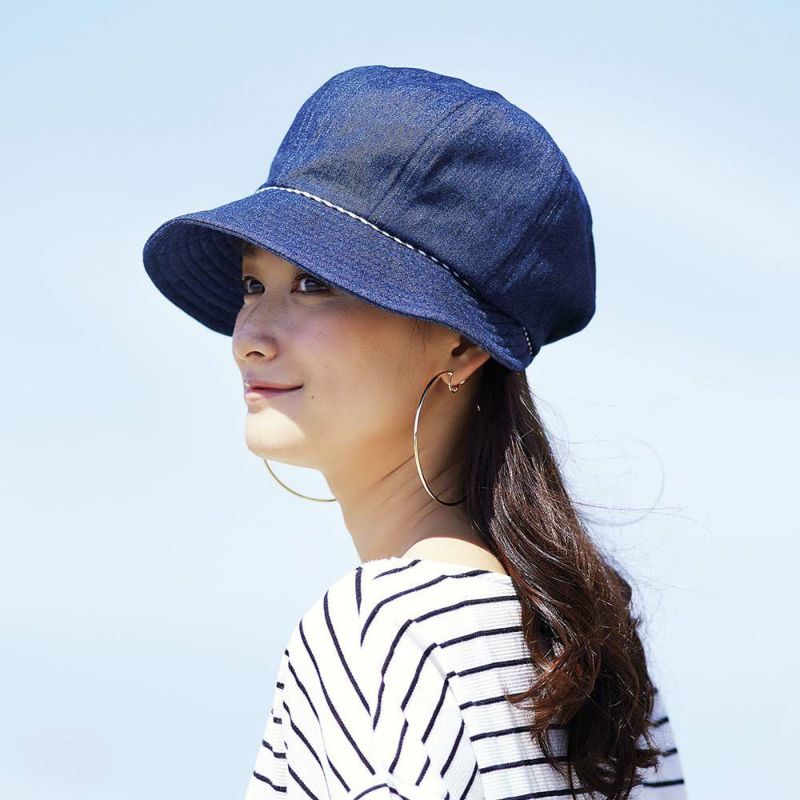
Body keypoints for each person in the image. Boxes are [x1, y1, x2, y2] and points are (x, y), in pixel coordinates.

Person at [142, 65, 688, 800]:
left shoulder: (381, 627)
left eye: (314, 284)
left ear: (461, 346)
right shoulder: (593, 654)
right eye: (252, 284)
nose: (249, 339)